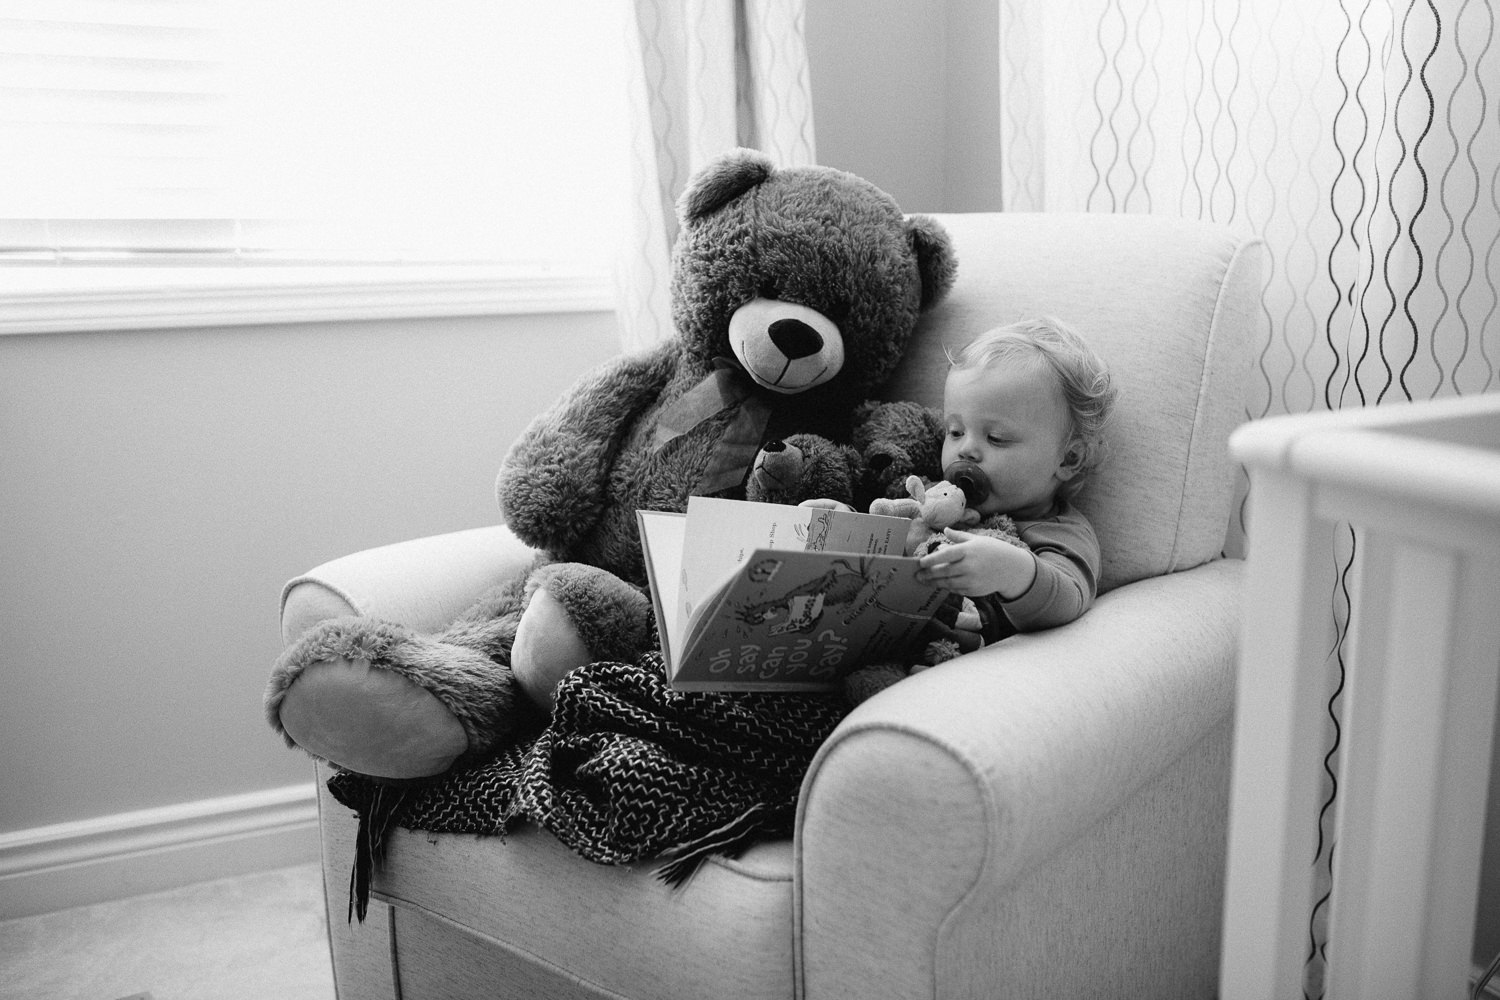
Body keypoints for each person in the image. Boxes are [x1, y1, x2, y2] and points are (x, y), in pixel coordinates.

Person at [810, 316, 1117, 646]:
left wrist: (1011, 571)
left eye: (996, 438)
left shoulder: (1059, 533)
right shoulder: (933, 500)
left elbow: (1069, 598)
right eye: (955, 432)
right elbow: (889, 551)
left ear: (1068, 459)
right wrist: (847, 527)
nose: (966, 449)